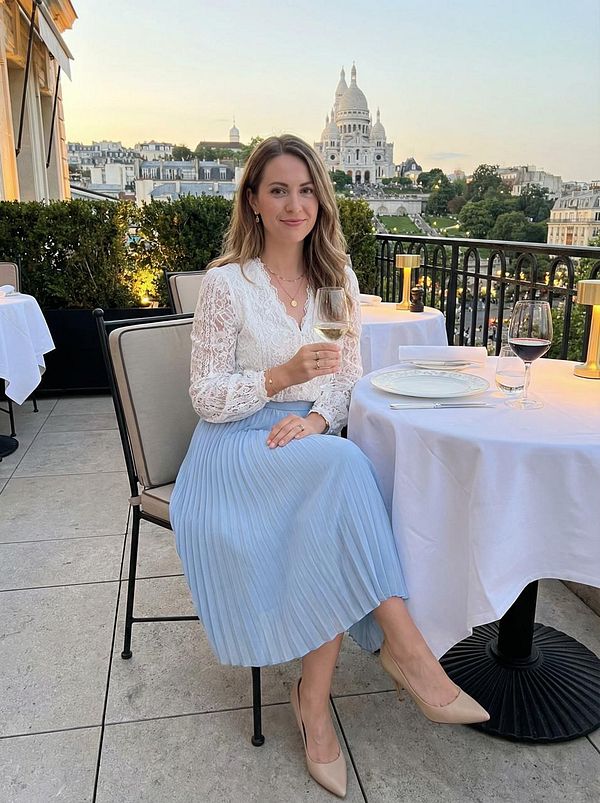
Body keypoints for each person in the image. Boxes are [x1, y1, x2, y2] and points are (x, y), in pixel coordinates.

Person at [170, 134, 488, 799]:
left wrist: (315, 418)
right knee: (345, 473)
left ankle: (316, 703)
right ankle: (406, 655)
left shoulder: (336, 281)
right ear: (253, 201)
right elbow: (205, 395)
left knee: (335, 478)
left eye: (306, 189)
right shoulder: (228, 284)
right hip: (233, 449)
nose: (295, 204)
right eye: (279, 190)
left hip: (303, 438)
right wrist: (279, 377)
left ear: (322, 197)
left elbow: (347, 380)